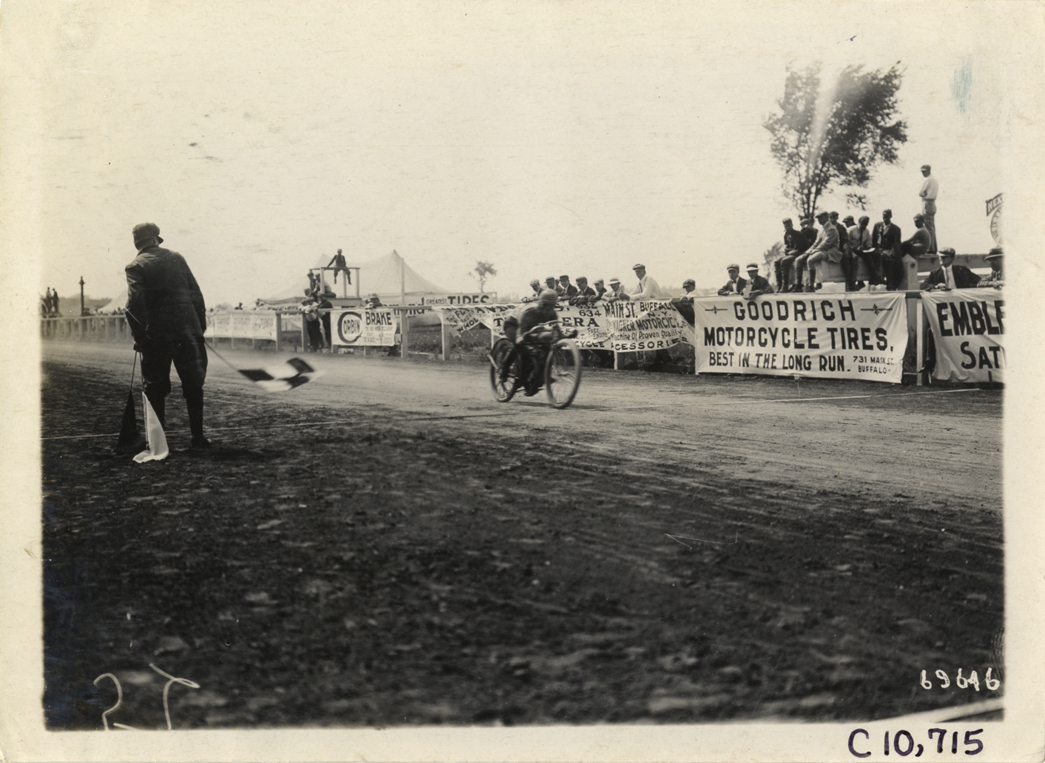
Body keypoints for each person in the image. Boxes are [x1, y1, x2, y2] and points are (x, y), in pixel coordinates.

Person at [124, 222, 210, 448]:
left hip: (157, 337)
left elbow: (134, 304)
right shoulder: (176, 257)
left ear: (137, 243)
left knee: (155, 387)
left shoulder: (135, 266)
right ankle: (198, 437)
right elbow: (196, 293)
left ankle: (157, 442)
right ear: (155, 239)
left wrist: (140, 337)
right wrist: (198, 328)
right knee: (193, 385)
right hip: (188, 333)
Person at [500, 289, 561, 395]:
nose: (548, 309)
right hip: (513, 325)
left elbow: (558, 332)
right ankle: (504, 371)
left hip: (530, 329)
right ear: (541, 303)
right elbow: (521, 329)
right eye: (545, 305)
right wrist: (519, 337)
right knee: (519, 346)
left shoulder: (553, 314)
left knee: (545, 348)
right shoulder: (530, 311)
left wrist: (567, 337)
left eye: (551, 306)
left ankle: (536, 379)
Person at [802, 211, 842, 291]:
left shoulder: (831, 229)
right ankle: (806, 284)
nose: (818, 220)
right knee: (803, 258)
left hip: (831, 252)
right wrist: (808, 251)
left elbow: (826, 244)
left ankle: (811, 286)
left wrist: (813, 252)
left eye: (820, 218)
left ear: (825, 218)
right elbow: (816, 243)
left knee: (810, 259)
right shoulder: (822, 229)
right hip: (822, 250)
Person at [872, 209, 904, 290]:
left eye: (886, 217)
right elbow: (873, 240)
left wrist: (892, 254)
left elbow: (896, 244)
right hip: (878, 250)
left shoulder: (896, 229)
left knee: (895, 264)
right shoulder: (877, 225)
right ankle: (886, 282)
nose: (885, 219)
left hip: (889, 250)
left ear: (890, 216)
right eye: (884, 217)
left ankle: (891, 284)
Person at [776, 218, 809, 292]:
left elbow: (799, 249)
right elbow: (787, 246)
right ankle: (779, 286)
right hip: (791, 253)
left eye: (788, 226)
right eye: (785, 226)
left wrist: (789, 252)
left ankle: (785, 286)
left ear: (792, 225)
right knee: (776, 262)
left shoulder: (797, 234)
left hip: (800, 253)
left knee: (784, 261)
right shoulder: (786, 235)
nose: (787, 228)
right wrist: (787, 250)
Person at [847, 215, 879, 290]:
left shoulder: (866, 231)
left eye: (865, 224)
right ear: (858, 222)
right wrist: (854, 248)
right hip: (851, 249)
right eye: (862, 224)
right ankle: (853, 282)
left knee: (870, 258)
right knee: (854, 259)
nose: (864, 226)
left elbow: (869, 243)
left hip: (862, 250)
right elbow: (846, 242)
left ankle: (874, 277)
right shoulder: (851, 230)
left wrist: (867, 247)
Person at [919, 165, 939, 254]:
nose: (923, 173)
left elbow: (920, 193)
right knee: (931, 227)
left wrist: (924, 194)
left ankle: (930, 248)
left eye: (924, 171)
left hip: (927, 202)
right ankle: (933, 248)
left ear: (928, 170)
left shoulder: (928, 180)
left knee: (927, 227)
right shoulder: (934, 180)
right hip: (933, 203)